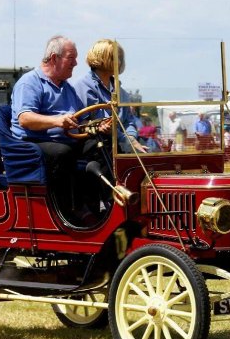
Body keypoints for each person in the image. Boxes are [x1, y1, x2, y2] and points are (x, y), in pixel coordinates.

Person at [11, 35, 86, 218]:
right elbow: (25, 119)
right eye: (71, 58)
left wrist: (97, 127)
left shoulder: (66, 87)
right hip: (31, 144)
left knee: (102, 147)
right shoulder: (29, 82)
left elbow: (82, 117)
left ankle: (96, 207)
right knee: (63, 153)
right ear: (54, 58)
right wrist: (57, 121)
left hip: (64, 140)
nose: (76, 63)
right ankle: (63, 213)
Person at [71, 38, 145, 154]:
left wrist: (131, 137)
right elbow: (83, 123)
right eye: (115, 58)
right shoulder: (82, 86)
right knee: (108, 146)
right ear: (102, 58)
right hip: (95, 141)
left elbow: (129, 122)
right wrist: (127, 141)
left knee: (152, 148)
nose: (119, 62)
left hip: (120, 141)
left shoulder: (121, 92)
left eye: (120, 58)